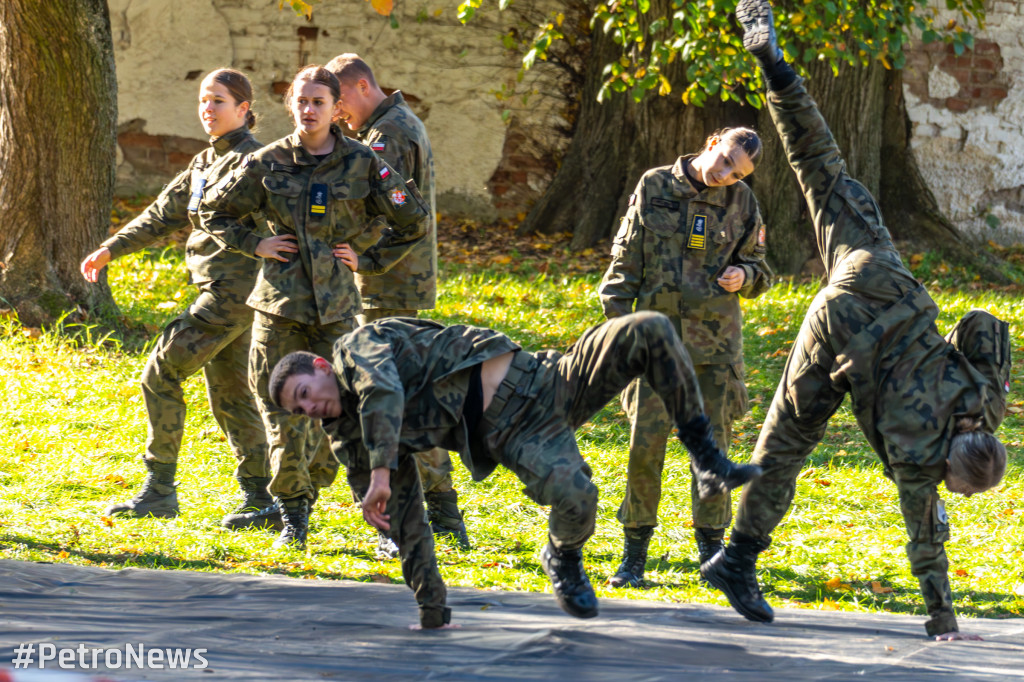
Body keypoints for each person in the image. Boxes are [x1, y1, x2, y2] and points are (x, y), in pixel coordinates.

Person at [702, 0, 1011, 641]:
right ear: (951, 467)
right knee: (784, 444)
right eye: (952, 486)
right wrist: (942, 618)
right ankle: (736, 558)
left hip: (881, 277)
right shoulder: (918, 464)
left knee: (823, 169)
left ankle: (776, 68)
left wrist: (965, 360)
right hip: (839, 330)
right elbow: (923, 541)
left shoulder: (987, 397)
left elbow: (985, 322)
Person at [267, 312, 762, 627]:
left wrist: (380, 467)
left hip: (547, 377)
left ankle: (706, 460)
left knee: (647, 328)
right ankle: (563, 556)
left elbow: (383, 390)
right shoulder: (352, 441)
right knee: (576, 494)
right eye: (298, 412)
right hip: (515, 431)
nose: (308, 410)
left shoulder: (357, 347)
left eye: (304, 394)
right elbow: (408, 523)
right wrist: (433, 610)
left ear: (320, 365)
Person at [196, 65, 429, 549]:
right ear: (290, 107)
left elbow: (413, 220)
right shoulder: (268, 161)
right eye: (301, 102)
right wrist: (254, 243)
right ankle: (293, 518)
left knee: (354, 416)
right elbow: (212, 210)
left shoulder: (365, 162)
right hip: (278, 309)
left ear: (335, 108)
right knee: (282, 416)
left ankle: (383, 524)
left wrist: (368, 258)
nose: (309, 110)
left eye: (319, 102)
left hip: (338, 311)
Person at [81, 69, 271, 525]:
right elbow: (162, 212)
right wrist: (111, 248)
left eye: (219, 101)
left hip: (234, 295)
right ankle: (264, 500)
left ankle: (160, 490)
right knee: (232, 396)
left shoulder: (257, 163)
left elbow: (286, 222)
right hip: (223, 293)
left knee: (159, 374)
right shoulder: (205, 161)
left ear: (244, 109)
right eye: (204, 100)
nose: (208, 109)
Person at [598, 128, 773, 587]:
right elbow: (622, 266)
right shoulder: (654, 185)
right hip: (655, 346)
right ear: (712, 141)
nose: (725, 174)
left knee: (712, 452)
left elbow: (762, 268)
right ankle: (634, 555)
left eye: (737, 172)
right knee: (645, 448)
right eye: (725, 160)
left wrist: (745, 274)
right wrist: (621, 332)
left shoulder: (742, 203)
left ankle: (713, 554)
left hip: (714, 349)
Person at [325, 54, 470, 555]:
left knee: (399, 400)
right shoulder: (390, 125)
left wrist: (365, 260)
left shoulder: (390, 135)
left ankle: (438, 514)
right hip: (396, 284)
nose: (338, 114)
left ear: (364, 87)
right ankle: (443, 515)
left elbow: (399, 214)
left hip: (394, 287)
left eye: (340, 102)